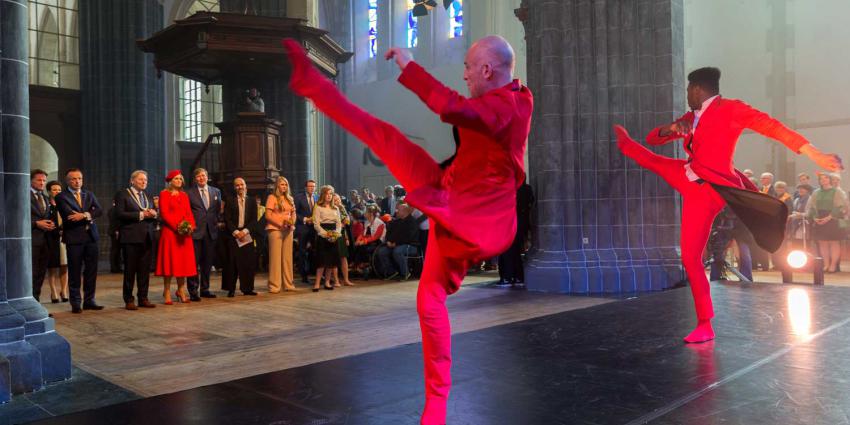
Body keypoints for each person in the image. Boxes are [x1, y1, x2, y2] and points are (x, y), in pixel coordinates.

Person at [283, 33, 533, 423]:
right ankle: (313, 85)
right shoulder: (492, 102)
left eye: (468, 67)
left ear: (486, 69)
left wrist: (409, 66)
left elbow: (452, 108)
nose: (465, 74)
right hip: (446, 195)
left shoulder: (513, 105)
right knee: (384, 137)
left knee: (431, 297)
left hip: (477, 222)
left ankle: (437, 401)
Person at [614, 66, 842, 344]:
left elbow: (773, 127)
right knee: (653, 160)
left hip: (708, 190)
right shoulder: (690, 117)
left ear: (696, 89)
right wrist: (671, 128)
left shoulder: (732, 109)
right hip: (688, 173)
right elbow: (653, 138)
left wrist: (814, 153)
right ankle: (624, 143)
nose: (687, 95)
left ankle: (704, 324)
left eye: (688, 90)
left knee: (690, 256)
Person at [55, 168, 105, 313]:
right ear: (67, 181)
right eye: (74, 179)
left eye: (79, 178)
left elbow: (99, 210)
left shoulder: (88, 194)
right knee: (75, 271)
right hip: (74, 238)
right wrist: (89, 214)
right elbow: (69, 215)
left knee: (91, 271)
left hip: (91, 237)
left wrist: (84, 215)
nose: (77, 181)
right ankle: (76, 302)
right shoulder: (61, 197)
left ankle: (89, 300)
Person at [114, 170, 159, 310]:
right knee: (130, 270)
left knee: (144, 271)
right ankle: (128, 299)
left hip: (147, 237)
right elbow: (119, 214)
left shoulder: (148, 195)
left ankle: (143, 298)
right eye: (141, 179)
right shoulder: (123, 194)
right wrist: (142, 214)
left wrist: (154, 213)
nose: (144, 182)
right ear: (132, 180)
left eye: (145, 180)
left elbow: (151, 214)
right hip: (131, 237)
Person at [155, 170, 198, 305]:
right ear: (170, 181)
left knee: (183, 263)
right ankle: (167, 291)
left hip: (184, 234)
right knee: (169, 263)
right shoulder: (164, 194)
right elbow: (164, 213)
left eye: (180, 179)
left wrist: (191, 226)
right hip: (170, 233)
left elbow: (189, 213)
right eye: (176, 179)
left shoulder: (184, 195)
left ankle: (181, 290)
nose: (179, 181)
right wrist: (178, 227)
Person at [187, 168, 222, 300]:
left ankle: (205, 289)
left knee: (207, 263)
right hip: (195, 232)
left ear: (207, 177)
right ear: (195, 179)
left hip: (210, 232)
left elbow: (217, 210)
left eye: (203, 176)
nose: (201, 178)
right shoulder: (189, 193)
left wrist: (215, 222)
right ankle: (193, 291)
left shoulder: (216, 191)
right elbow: (187, 211)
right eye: (198, 176)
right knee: (193, 263)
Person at [223, 177, 259, 297]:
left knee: (247, 263)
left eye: (242, 184)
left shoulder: (252, 201)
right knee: (232, 263)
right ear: (234, 187)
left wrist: (244, 231)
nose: (240, 187)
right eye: (237, 185)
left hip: (247, 234)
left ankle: (247, 289)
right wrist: (235, 232)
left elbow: (254, 220)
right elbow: (227, 219)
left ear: (245, 186)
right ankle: (231, 289)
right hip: (233, 234)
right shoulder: (230, 200)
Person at [808, 172, 847, 273]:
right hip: (820, 218)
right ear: (819, 181)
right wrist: (815, 217)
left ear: (830, 180)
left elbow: (840, 206)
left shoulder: (837, 191)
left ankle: (833, 265)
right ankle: (826, 265)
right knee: (822, 243)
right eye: (821, 179)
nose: (823, 180)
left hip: (833, 218)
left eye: (826, 178)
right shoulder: (816, 192)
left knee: (834, 243)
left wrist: (829, 217)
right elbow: (812, 206)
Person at [499, 178, 534, 287]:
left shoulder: (513, 190)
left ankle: (508, 278)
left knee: (507, 251)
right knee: (515, 251)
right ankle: (518, 277)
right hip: (520, 224)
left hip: (511, 224)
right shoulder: (527, 189)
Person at [265, 176, 297, 293]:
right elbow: (268, 216)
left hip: (288, 230)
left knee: (287, 258)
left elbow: (293, 214)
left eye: (286, 184)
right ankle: (274, 286)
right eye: (282, 184)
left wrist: (292, 222)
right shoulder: (272, 197)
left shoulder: (290, 199)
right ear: (277, 186)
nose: (284, 186)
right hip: (275, 229)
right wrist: (280, 224)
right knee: (275, 259)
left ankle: (288, 284)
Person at [376, 203, 420, 280]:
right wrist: (388, 241)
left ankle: (405, 273)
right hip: (395, 244)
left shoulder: (412, 222)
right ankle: (392, 272)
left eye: (398, 210)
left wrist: (396, 243)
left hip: (411, 245)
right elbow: (389, 233)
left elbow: (409, 237)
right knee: (382, 251)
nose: (396, 211)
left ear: (404, 211)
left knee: (397, 251)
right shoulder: (396, 221)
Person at [311, 185, 342, 292]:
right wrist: (326, 234)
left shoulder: (336, 208)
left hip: (334, 235)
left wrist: (336, 234)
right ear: (323, 195)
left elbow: (339, 223)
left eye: (331, 194)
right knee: (322, 261)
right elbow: (316, 224)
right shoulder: (318, 206)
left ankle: (327, 282)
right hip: (323, 235)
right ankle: (317, 283)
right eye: (327, 194)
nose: (329, 196)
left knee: (331, 261)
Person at [30, 169, 55, 302]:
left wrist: (50, 224)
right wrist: (35, 223)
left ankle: (36, 301)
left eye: (44, 180)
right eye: (39, 180)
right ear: (31, 180)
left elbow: (46, 216)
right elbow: (16, 218)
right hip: (31, 241)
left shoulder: (45, 197)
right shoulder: (24, 195)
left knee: (41, 273)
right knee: (32, 273)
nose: (42, 183)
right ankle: (30, 301)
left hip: (45, 241)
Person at [45, 180, 69, 303]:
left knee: (64, 265)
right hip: (51, 238)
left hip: (65, 238)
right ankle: (53, 291)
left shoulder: (65, 204)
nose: (57, 192)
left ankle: (64, 291)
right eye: (54, 190)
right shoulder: (46, 205)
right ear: (49, 191)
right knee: (53, 266)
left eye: (59, 190)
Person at [294, 179, 318, 284]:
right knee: (302, 252)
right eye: (310, 186)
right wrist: (305, 219)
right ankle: (304, 275)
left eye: (313, 186)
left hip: (315, 229)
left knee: (315, 251)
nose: (312, 188)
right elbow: (294, 212)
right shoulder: (299, 197)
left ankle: (316, 273)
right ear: (306, 187)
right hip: (303, 228)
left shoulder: (317, 197)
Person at [333, 193, 355, 287]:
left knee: (344, 257)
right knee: (334, 258)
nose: (337, 201)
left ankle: (346, 280)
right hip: (334, 234)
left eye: (338, 199)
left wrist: (346, 238)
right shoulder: (330, 209)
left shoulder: (342, 209)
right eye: (335, 200)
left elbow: (347, 223)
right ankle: (336, 280)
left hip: (342, 234)